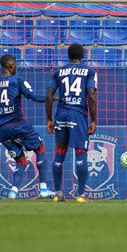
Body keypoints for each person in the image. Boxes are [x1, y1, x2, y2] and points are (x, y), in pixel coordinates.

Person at [0, 54, 55, 199]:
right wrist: (51, 98)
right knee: (40, 148)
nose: (15, 67)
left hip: (2, 131)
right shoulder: (18, 80)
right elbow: (32, 96)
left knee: (20, 160)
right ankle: (44, 188)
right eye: (14, 65)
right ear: (10, 65)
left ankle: (13, 191)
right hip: (19, 125)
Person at [46, 43, 97, 203]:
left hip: (61, 115)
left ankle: (58, 193)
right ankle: (80, 195)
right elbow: (92, 96)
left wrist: (49, 119)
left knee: (59, 154)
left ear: (68, 56)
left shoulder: (58, 72)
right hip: (77, 115)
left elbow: (49, 96)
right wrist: (94, 119)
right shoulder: (89, 71)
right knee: (81, 153)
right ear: (83, 56)